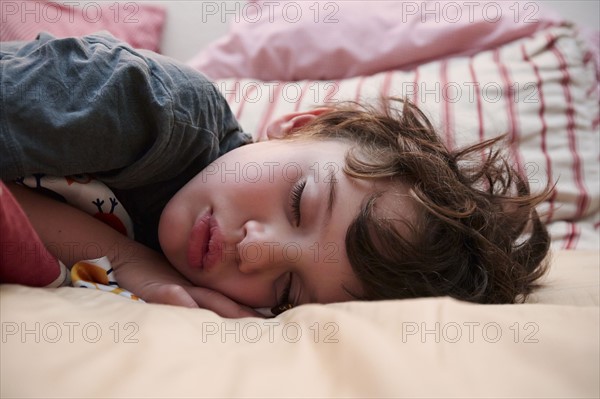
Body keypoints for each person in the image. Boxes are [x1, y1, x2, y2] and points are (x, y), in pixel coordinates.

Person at [0, 32, 551, 318]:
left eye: (288, 290)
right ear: (298, 128)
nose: (257, 252)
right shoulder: (151, 108)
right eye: (299, 201)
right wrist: (124, 258)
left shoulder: (196, 280)